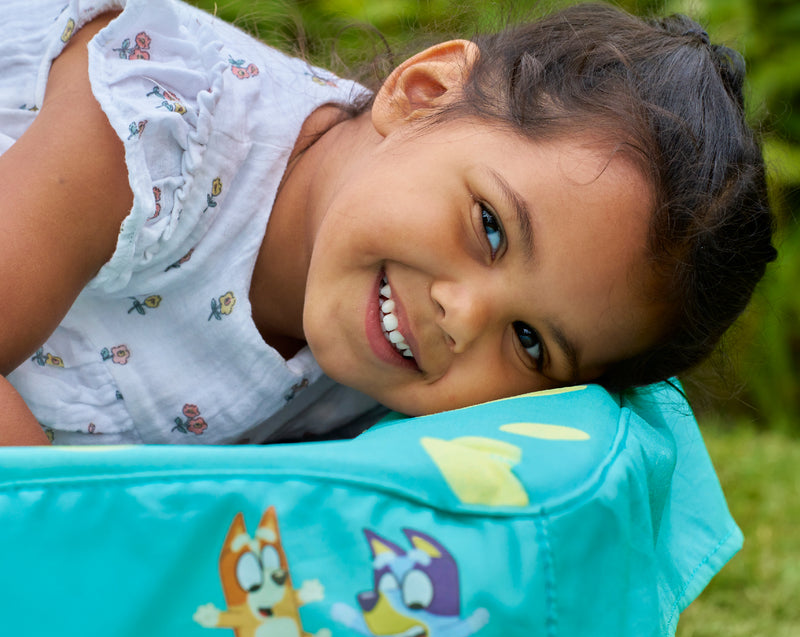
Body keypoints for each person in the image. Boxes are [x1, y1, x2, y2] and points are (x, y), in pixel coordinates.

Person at [0, 0, 776, 446]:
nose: (465, 316)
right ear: (426, 90)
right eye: (492, 228)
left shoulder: (389, 393)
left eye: (531, 342)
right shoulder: (154, 128)